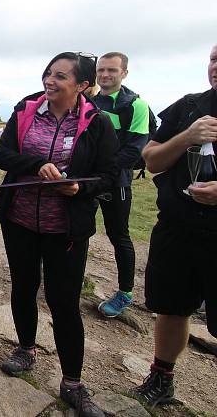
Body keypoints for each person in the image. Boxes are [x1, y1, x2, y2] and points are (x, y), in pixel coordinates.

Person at [0, 52, 119, 417]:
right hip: (19, 220)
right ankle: (25, 349)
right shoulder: (26, 109)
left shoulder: (97, 123)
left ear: (82, 85)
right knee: (23, 286)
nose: (50, 80)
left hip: (66, 228)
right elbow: (4, 155)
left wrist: (79, 190)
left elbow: (110, 174)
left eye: (60, 76)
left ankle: (73, 382)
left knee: (65, 303)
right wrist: (37, 165)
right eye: (48, 72)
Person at [132, 45, 217, 407]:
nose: (216, 66)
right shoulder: (189, 107)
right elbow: (151, 160)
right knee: (172, 307)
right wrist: (188, 136)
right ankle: (162, 378)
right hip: (177, 227)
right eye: (214, 58)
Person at [92, 52, 150, 318]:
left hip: (117, 183)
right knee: (77, 229)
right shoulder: (90, 101)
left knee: (119, 236)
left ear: (124, 72)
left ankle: (125, 292)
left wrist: (104, 174)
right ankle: (70, 278)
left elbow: (134, 150)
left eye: (112, 70)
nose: (105, 75)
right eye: (101, 70)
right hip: (89, 180)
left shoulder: (136, 106)